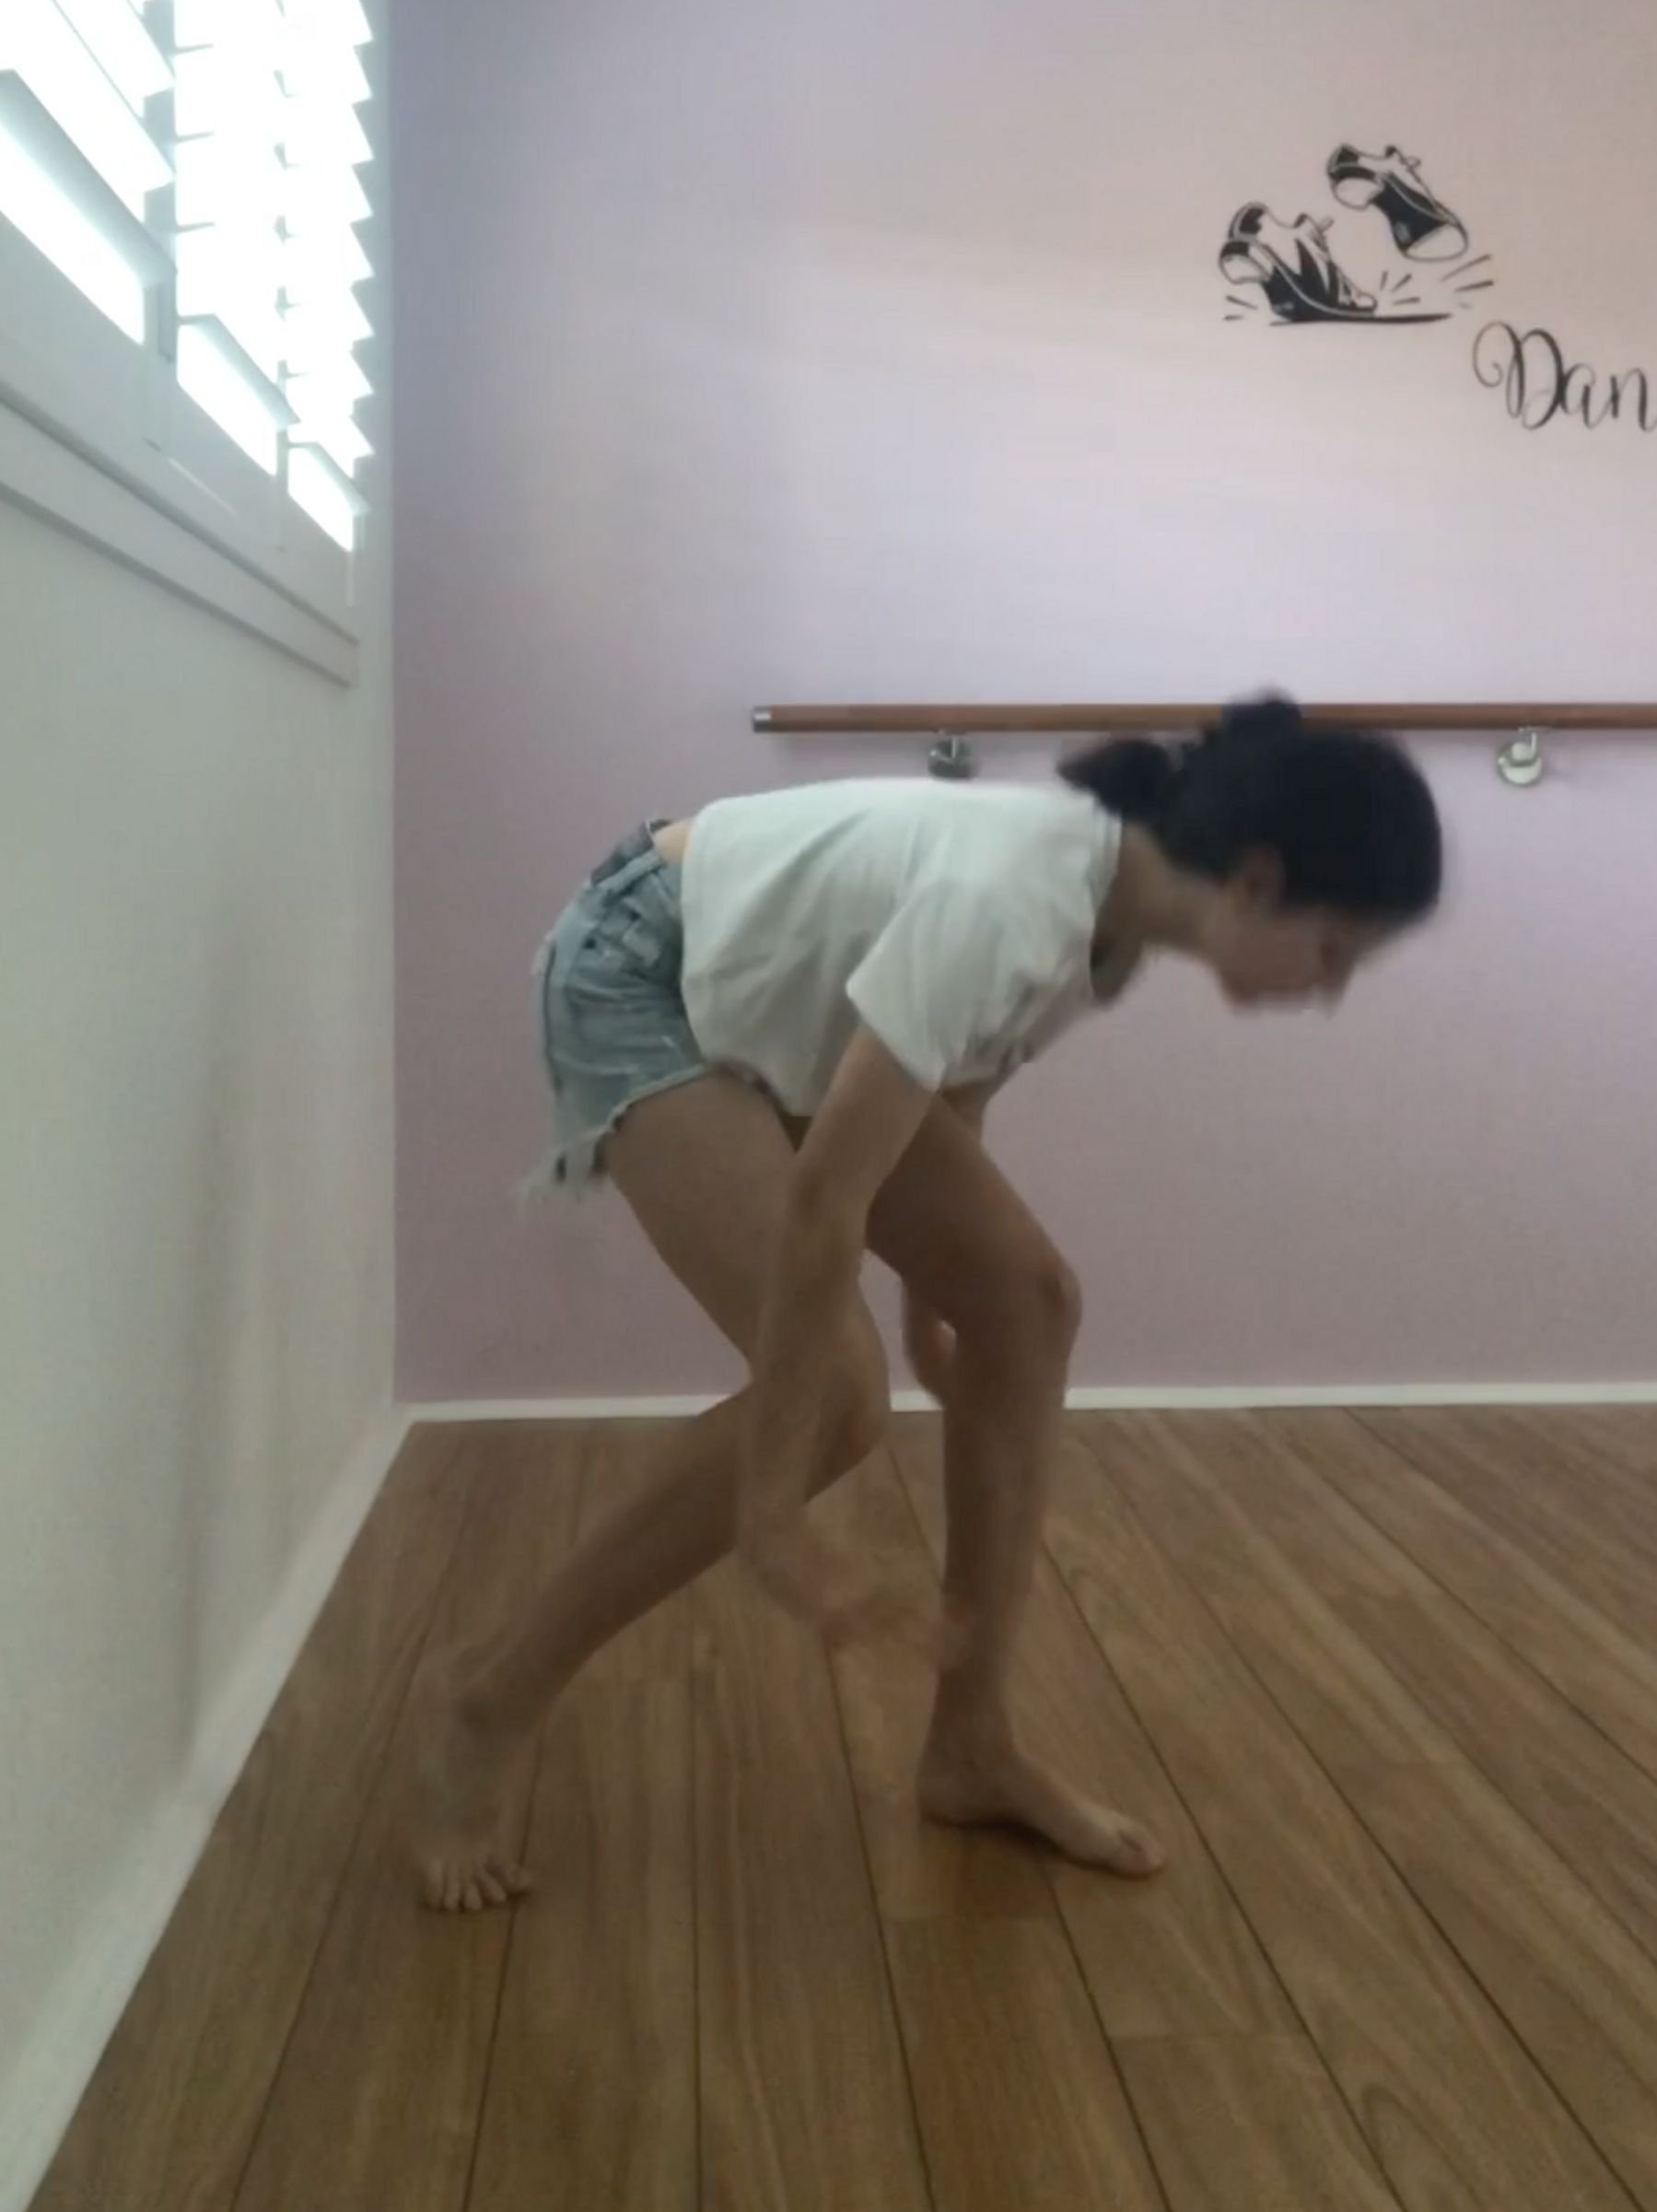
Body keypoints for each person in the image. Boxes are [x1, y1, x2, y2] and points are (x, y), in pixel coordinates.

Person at [412, 696, 1443, 1912]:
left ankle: (971, 1746)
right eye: (1336, 952)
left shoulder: (1115, 924)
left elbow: (952, 1073)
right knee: (836, 1399)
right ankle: (492, 1696)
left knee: (1029, 1303)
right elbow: (826, 1202)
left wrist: (939, 1299)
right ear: (1260, 880)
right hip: (646, 966)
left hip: (779, 987)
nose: (1329, 992)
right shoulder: (1016, 900)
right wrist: (772, 1521)